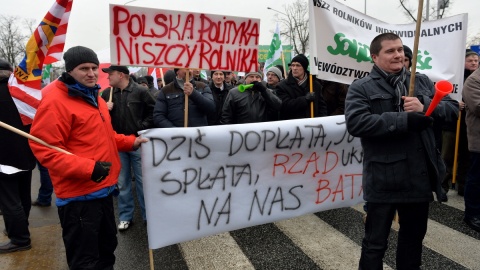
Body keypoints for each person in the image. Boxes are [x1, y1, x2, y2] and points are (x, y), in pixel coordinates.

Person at [29, 46, 147, 269]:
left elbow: (105, 136)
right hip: (79, 198)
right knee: (86, 261)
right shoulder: (55, 101)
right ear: (70, 70)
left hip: (104, 190)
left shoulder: (96, 97)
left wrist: (131, 141)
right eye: (84, 68)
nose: (92, 73)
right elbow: (45, 149)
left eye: (94, 67)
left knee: (106, 250)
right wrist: (89, 168)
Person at [344, 33, 453, 269]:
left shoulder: (422, 81)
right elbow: (356, 123)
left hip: (418, 177)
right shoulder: (361, 87)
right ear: (375, 57)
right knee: (374, 245)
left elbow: (453, 111)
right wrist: (403, 120)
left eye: (400, 50)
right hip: (383, 179)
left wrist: (426, 106)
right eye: (390, 51)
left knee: (412, 243)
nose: (398, 55)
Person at [101, 65, 155, 231]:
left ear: (121, 75)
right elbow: (99, 120)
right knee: (123, 183)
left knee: (142, 182)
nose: (108, 77)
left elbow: (153, 112)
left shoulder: (140, 91)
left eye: (110, 74)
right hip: (118, 144)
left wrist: (141, 128)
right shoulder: (106, 94)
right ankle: (126, 216)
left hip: (137, 143)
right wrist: (104, 109)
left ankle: (149, 217)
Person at [0, 59, 36, 253]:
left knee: (9, 200)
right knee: (23, 196)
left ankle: (19, 238)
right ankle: (21, 227)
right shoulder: (22, 94)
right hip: (26, 154)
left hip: (4, 158)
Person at [441, 49, 477, 199]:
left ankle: (463, 184)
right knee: (447, 155)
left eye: (476, 60)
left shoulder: (477, 77)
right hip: (452, 123)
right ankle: (442, 185)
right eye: (470, 61)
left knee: (467, 157)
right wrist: (455, 103)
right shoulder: (453, 77)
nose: (474, 63)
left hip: (468, 126)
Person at [276, 54, 328, 119]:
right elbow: (285, 105)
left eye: (298, 65)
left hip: (314, 125)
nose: (294, 68)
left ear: (304, 67)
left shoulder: (315, 84)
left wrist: (321, 121)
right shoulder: (282, 86)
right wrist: (305, 99)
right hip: (293, 126)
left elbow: (321, 106)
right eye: (293, 65)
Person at [462, 64, 480, 232]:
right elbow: (477, 107)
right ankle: (472, 213)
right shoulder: (473, 80)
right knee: (476, 178)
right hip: (478, 140)